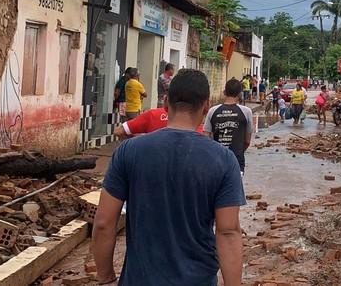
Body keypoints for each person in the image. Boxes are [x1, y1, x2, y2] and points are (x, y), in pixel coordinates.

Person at [93, 69, 245, 286]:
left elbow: (103, 222)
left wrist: (105, 276)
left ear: (165, 102)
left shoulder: (129, 152)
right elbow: (228, 232)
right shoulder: (224, 160)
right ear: (205, 106)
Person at [204, 79, 254, 174]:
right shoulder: (246, 112)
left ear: (224, 92)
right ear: (240, 94)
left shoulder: (212, 111)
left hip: (216, 161)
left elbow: (207, 138)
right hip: (237, 162)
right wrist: (239, 151)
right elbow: (247, 141)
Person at [113, 106, 204, 138]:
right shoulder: (199, 126)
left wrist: (142, 138)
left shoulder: (152, 115)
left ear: (166, 101)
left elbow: (118, 131)